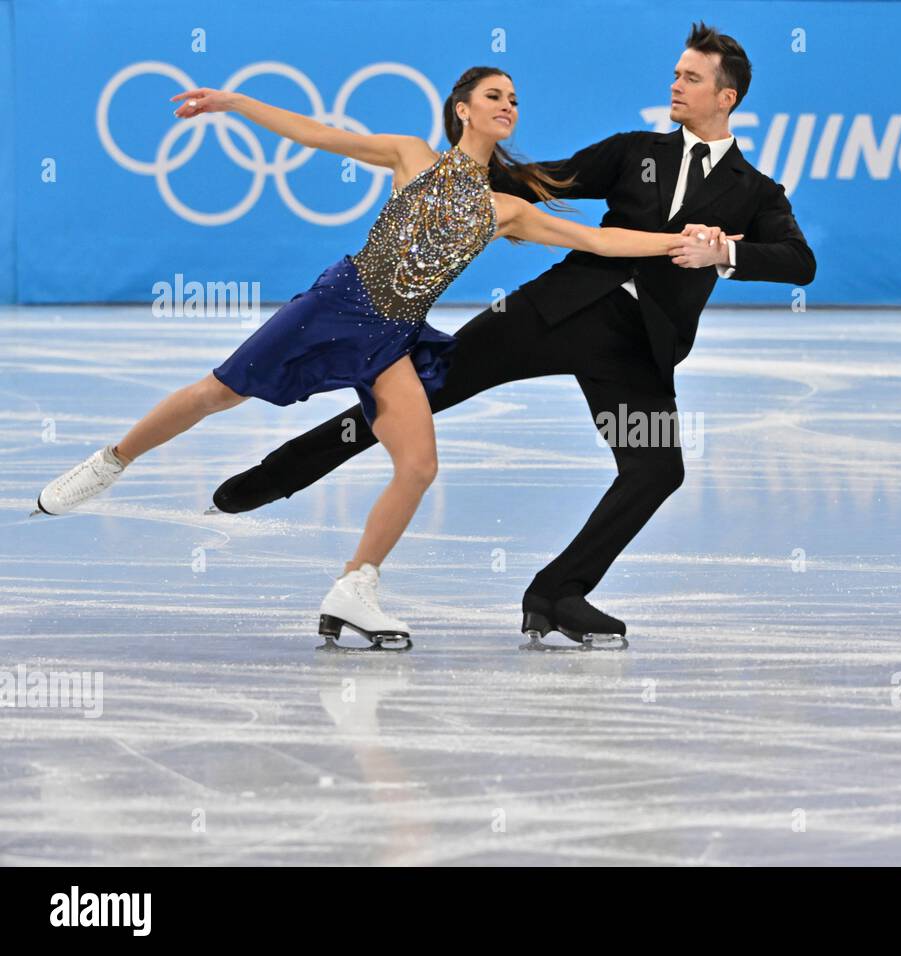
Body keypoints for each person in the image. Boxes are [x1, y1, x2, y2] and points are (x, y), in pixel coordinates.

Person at [32, 65, 734, 651]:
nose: (508, 105)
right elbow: (316, 134)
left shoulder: (506, 210)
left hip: (391, 337)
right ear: (462, 110)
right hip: (336, 306)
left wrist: (685, 240)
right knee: (219, 393)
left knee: (419, 464)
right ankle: (111, 462)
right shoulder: (410, 155)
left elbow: (604, 243)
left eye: (514, 99)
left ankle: (356, 586)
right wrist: (234, 103)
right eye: (494, 96)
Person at [213, 22, 816, 650]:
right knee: (425, 386)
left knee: (657, 467)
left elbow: (799, 262)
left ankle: (558, 594)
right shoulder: (636, 151)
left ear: (727, 96)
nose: (676, 84)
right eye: (676, 73)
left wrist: (725, 255)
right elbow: (542, 182)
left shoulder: (754, 191)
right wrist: (452, 182)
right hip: (552, 312)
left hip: (639, 347)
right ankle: (279, 473)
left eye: (691, 77)